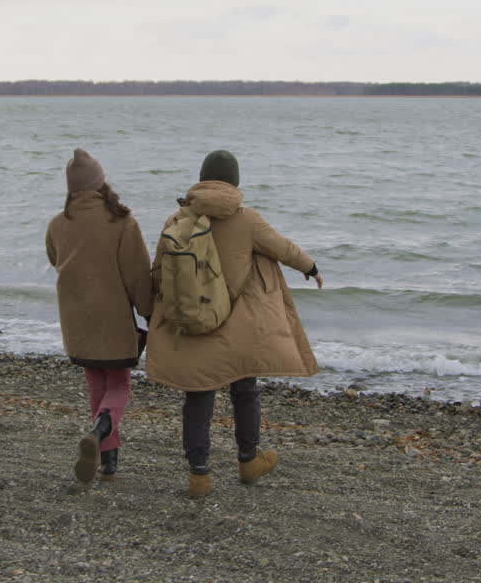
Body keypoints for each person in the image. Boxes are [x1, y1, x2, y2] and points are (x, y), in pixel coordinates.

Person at [146, 150, 323, 499]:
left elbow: (158, 271)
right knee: (245, 390)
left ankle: (199, 475)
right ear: (235, 182)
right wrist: (311, 268)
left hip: (193, 324)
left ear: (201, 179)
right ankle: (248, 460)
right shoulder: (248, 220)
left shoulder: (177, 219)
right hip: (239, 326)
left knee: (198, 396)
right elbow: (283, 249)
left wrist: (151, 310)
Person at [45, 148, 153, 484]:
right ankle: (100, 430)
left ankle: (108, 461)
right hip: (113, 318)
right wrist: (150, 312)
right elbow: (138, 275)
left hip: (76, 318)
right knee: (118, 385)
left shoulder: (57, 224)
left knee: (96, 385)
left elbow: (54, 258)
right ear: (100, 183)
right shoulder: (121, 222)